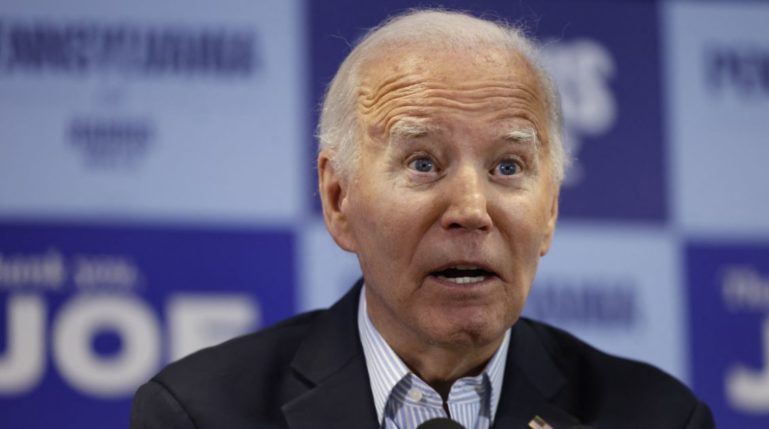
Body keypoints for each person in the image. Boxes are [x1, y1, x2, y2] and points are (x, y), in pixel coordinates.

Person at [130, 10, 715, 429]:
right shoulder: (199, 413)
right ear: (339, 200)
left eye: (508, 166)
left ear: (551, 210)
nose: (470, 210)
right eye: (423, 162)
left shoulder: (659, 416)